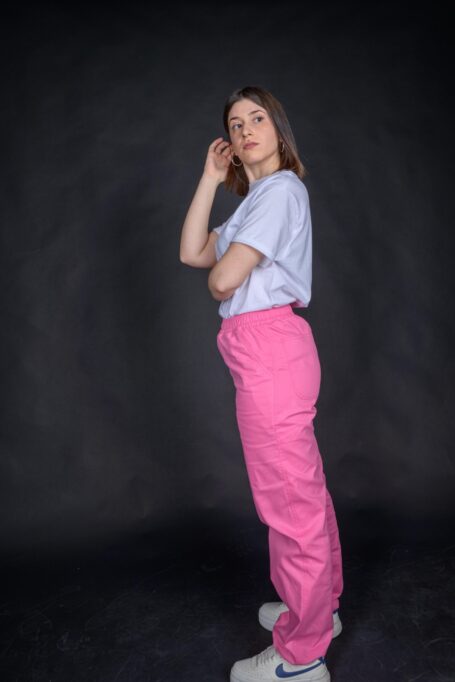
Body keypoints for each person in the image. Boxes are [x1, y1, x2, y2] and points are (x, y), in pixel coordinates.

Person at [180, 85, 344, 682]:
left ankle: (302, 656)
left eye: (257, 117)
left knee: (288, 502)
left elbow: (221, 282)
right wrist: (208, 177)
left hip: (268, 347)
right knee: (303, 490)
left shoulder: (280, 192)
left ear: (278, 129)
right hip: (271, 350)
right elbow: (193, 252)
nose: (246, 128)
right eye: (234, 122)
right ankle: (318, 609)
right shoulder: (255, 201)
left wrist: (222, 279)